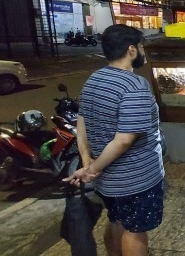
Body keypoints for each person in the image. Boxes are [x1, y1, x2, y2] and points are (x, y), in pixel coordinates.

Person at [63, 24, 164, 256]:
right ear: (131, 50)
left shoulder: (94, 79)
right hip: (136, 178)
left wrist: (87, 158)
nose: (143, 52)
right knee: (135, 231)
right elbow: (124, 140)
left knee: (117, 221)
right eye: (141, 47)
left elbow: (82, 122)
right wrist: (92, 169)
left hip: (108, 182)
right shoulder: (135, 86)